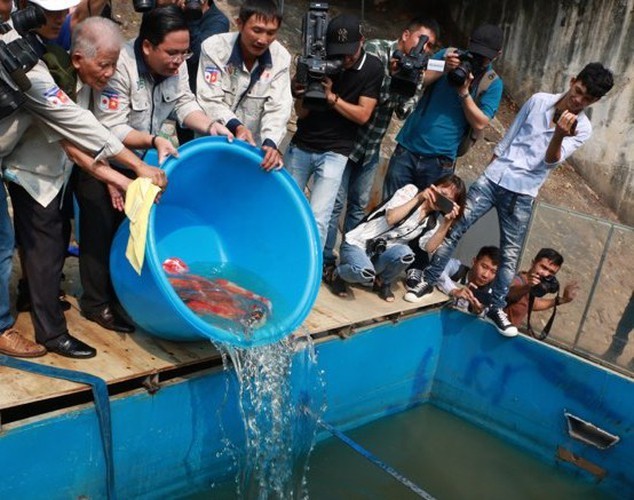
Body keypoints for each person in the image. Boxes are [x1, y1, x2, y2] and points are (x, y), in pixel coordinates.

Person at [2, 0, 166, 359]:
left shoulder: (87, 77)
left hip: (56, 172)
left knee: (56, 238)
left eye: (113, 65)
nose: (109, 73)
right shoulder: (46, 71)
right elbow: (77, 142)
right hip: (34, 173)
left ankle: (33, 298)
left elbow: (97, 131)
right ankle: (52, 334)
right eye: (103, 65)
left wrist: (118, 175)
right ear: (79, 59)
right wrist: (128, 176)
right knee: (44, 248)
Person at [407, 62, 614, 338]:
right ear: (573, 80)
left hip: (523, 192)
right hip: (494, 177)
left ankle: (496, 307)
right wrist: (488, 170)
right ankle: (428, 280)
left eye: (586, 99)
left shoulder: (582, 128)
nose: (578, 100)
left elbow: (551, 160)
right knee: (456, 227)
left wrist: (560, 135)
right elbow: (510, 136)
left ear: (595, 101)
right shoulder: (539, 100)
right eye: (577, 91)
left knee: (510, 254)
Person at [322, 16, 440, 279]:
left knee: (359, 207)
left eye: (430, 45)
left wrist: (408, 78)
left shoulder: (417, 69)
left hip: (370, 147)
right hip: (344, 140)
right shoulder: (374, 50)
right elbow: (362, 93)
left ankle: (350, 261)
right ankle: (325, 259)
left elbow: (403, 111)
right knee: (335, 204)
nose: (424, 48)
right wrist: (392, 75)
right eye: (422, 40)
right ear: (406, 34)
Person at [285, 14, 383, 248]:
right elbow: (301, 112)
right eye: (339, 51)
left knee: (319, 218)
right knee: (286, 209)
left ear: (362, 41)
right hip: (301, 144)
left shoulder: (372, 67)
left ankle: (311, 270)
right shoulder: (318, 60)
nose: (345, 57)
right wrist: (301, 87)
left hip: (336, 151)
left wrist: (331, 98)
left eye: (350, 50)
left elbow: (363, 114)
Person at [94, 4, 231, 165]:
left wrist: (211, 126)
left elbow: (183, 102)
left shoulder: (179, 61)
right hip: (110, 162)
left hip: (146, 159)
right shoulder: (119, 66)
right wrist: (153, 141)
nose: (179, 60)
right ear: (147, 47)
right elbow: (113, 128)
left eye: (184, 52)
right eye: (172, 53)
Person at [383, 23, 504, 198]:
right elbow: (418, 80)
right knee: (387, 210)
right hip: (408, 148)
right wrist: (445, 68)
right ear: (469, 43)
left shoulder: (492, 83)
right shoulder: (447, 56)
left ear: (497, 55)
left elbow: (481, 122)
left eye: (484, 57)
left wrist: (464, 92)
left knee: (424, 219)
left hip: (441, 162)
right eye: (475, 52)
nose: (477, 59)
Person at [330, 175, 465, 302]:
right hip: (357, 244)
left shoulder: (432, 223)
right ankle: (338, 274)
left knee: (406, 253)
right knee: (364, 272)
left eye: (448, 200)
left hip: (380, 255)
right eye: (442, 192)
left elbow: (429, 248)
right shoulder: (410, 191)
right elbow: (391, 218)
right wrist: (419, 198)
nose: (440, 199)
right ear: (433, 187)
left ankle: (382, 282)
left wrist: (447, 223)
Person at [197, 0, 290, 170]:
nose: (263, 40)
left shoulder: (281, 58)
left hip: (252, 150)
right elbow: (208, 99)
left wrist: (271, 143)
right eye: (257, 30)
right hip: (212, 141)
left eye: (271, 33)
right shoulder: (214, 48)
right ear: (239, 23)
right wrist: (236, 126)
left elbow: (279, 107)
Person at [505, 248, 578, 327]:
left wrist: (563, 299)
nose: (545, 274)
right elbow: (508, 294)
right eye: (543, 267)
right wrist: (528, 287)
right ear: (533, 263)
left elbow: (535, 305)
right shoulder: (516, 280)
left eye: (551, 272)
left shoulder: (533, 287)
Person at [437, 245, 500, 314]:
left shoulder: (492, 295)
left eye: (493, 272)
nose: (485, 275)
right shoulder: (457, 269)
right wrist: (453, 290)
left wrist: (478, 312)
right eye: (484, 267)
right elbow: (437, 269)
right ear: (474, 261)